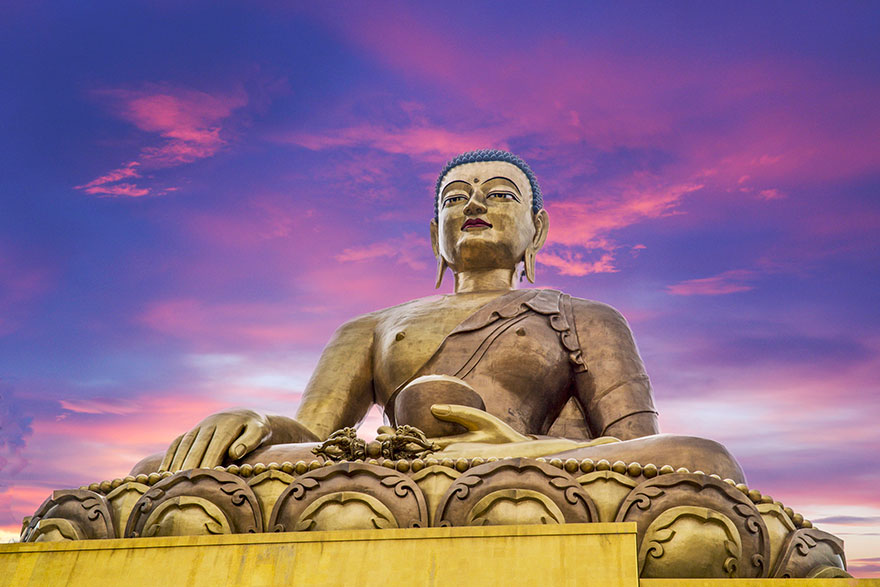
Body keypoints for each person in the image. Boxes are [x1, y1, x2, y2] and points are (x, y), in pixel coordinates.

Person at [134, 149, 744, 483]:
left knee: (705, 458)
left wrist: (516, 450)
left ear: (540, 227)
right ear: (435, 234)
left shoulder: (585, 315)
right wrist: (255, 425)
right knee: (160, 472)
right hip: (394, 471)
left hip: (527, 472)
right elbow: (317, 440)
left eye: (500, 193)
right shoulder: (368, 326)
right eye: (455, 198)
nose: (474, 203)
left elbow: (643, 451)